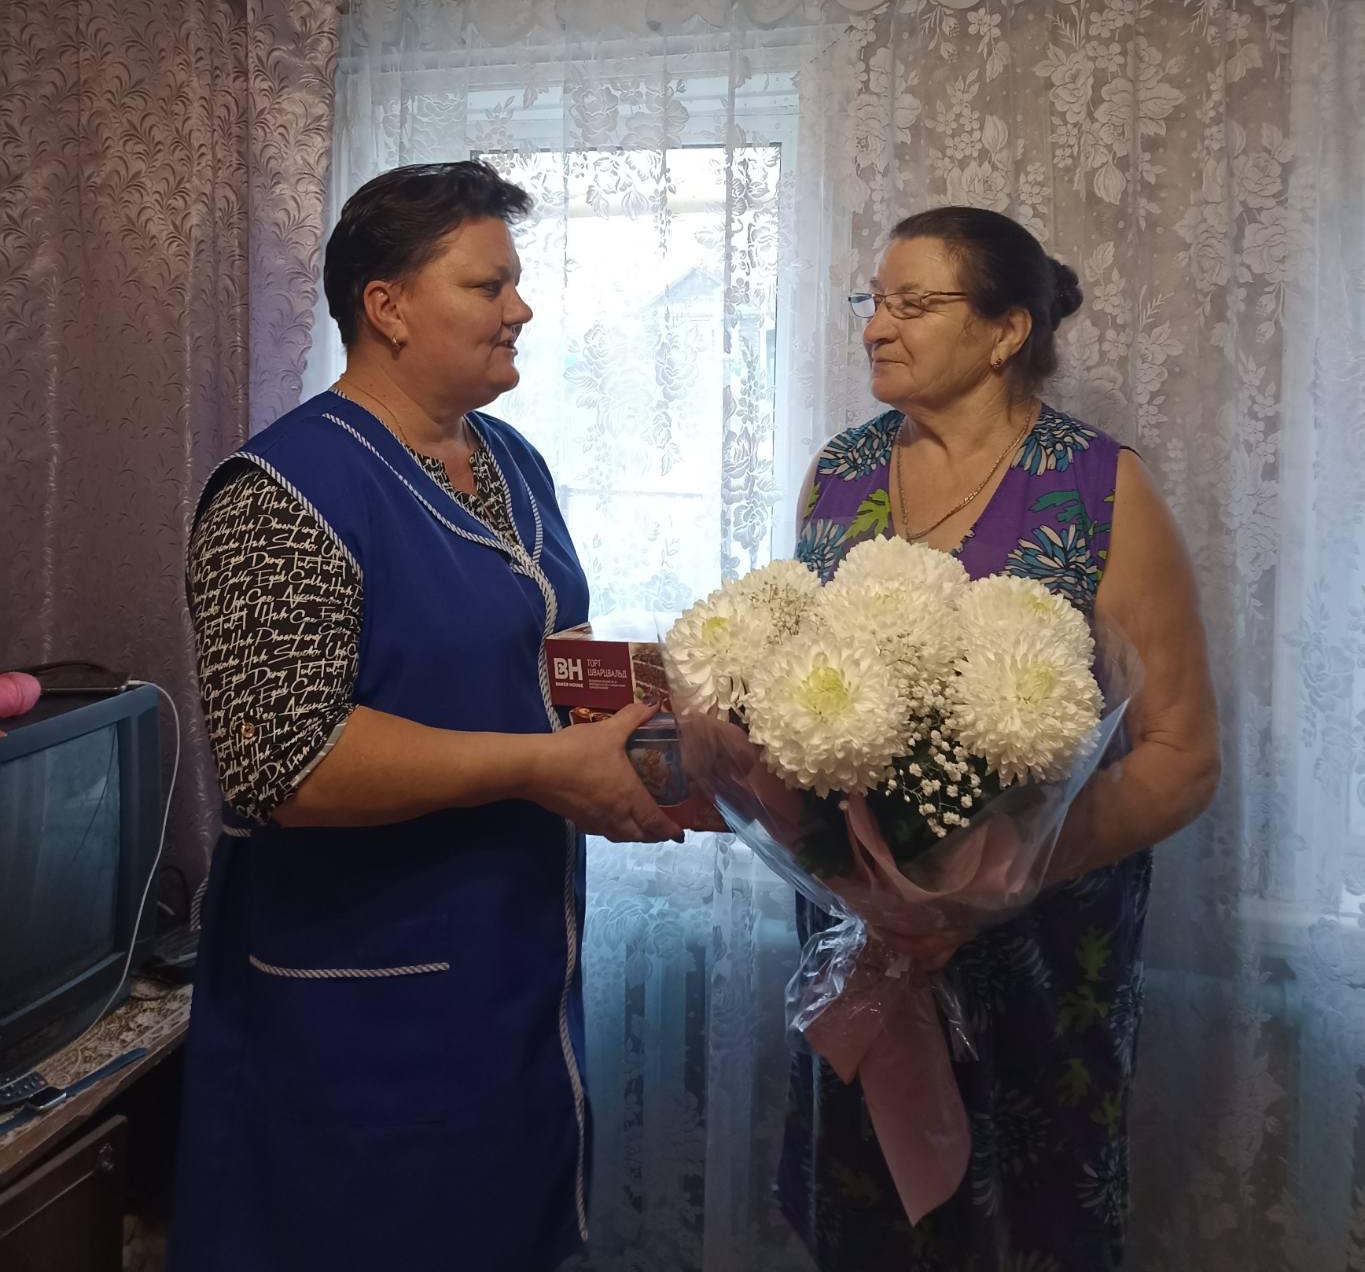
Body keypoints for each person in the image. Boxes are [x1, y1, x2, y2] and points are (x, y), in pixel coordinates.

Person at [169, 161, 682, 1272]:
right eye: (488, 285)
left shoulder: (509, 461)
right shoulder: (281, 491)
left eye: (515, 282)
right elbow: (285, 762)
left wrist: (667, 747)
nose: (521, 308)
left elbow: (535, 660)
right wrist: (544, 768)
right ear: (387, 307)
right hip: (359, 1012)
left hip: (510, 974)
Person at [778, 206, 1219, 1271]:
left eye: (912, 302)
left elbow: (1180, 754)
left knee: (1026, 1226)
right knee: (871, 1223)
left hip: (1038, 955)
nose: (876, 325)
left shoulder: (1099, 486)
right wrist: (872, 887)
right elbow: (798, 704)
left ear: (1006, 330)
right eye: (872, 300)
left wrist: (984, 885)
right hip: (863, 947)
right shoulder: (840, 473)